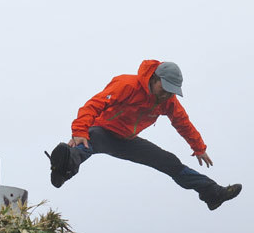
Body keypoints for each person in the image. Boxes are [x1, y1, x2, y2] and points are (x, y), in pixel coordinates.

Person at [47, 60, 242, 211]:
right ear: (155, 79)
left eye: (171, 92)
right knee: (85, 143)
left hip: (127, 141)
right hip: (103, 131)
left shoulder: (168, 101)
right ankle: (63, 168)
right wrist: (80, 131)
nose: (166, 95)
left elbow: (183, 123)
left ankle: (212, 193)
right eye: (163, 89)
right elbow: (94, 104)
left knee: (169, 161)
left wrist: (199, 147)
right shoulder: (127, 85)